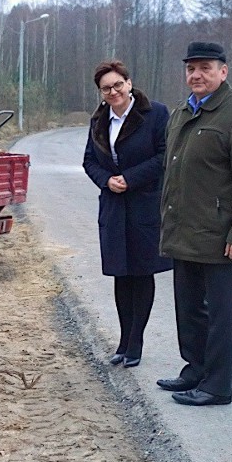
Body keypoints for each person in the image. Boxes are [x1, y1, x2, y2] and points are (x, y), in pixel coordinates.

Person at [157, 42, 232, 406]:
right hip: (183, 231)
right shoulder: (181, 113)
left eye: (205, 68)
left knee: (222, 315)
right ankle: (195, 370)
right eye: (191, 68)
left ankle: (217, 385)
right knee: (188, 308)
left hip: (220, 238)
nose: (196, 75)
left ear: (224, 71)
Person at [83, 60, 172, 368]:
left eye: (117, 85)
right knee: (121, 274)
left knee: (141, 272)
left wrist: (131, 178)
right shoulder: (99, 120)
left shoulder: (155, 114)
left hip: (145, 205)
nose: (113, 92)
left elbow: (165, 155)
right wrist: (106, 180)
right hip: (113, 206)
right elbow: (89, 161)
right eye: (106, 88)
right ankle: (123, 341)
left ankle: (136, 343)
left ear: (129, 83)